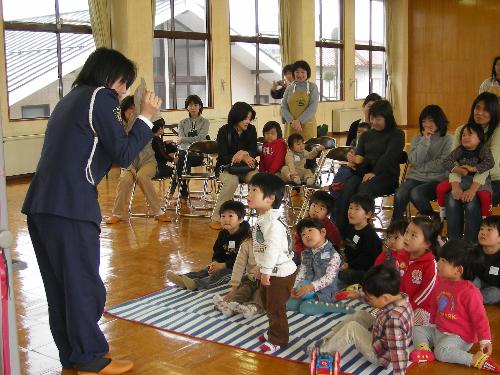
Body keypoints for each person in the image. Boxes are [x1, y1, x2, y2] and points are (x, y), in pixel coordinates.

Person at [21, 48, 161, 374]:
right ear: (111, 76)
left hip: (41, 205)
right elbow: (124, 154)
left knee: (60, 288)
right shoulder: (101, 97)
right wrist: (144, 117)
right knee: (84, 285)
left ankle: (72, 356)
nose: (123, 91)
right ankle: (90, 358)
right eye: (124, 83)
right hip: (70, 206)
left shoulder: (71, 99)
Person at [411, 240, 500, 372]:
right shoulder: (441, 282)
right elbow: (435, 304)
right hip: (440, 329)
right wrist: (432, 323)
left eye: (443, 261)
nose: (437, 263)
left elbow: (480, 319)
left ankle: (474, 359)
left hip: (459, 337)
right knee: (417, 329)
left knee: (441, 352)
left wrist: (485, 340)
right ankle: (425, 350)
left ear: (458, 270)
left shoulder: (470, 292)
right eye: (439, 259)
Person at [307, 265, 414, 375]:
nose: (369, 301)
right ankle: (329, 340)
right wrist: (356, 296)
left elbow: (398, 352)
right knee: (360, 314)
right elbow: (376, 300)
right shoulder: (399, 298)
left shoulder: (394, 320)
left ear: (385, 297)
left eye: (370, 298)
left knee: (352, 328)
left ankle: (324, 354)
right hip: (381, 335)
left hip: (381, 355)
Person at [334, 100, 405, 233]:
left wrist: (375, 172)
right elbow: (360, 157)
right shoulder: (366, 135)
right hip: (363, 173)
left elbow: (388, 157)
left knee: (363, 189)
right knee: (348, 187)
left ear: (388, 118)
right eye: (372, 118)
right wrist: (353, 159)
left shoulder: (397, 134)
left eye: (378, 119)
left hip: (386, 176)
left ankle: (360, 232)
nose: (374, 122)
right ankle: (341, 231)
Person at [246, 173, 297, 353]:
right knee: (268, 303)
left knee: (275, 307)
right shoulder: (263, 219)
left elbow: (272, 250)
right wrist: (262, 268)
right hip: (270, 270)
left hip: (281, 272)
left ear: (270, 199)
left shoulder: (273, 223)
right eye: (249, 189)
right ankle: (273, 331)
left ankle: (278, 339)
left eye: (254, 190)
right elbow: (262, 248)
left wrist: (266, 270)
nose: (248, 194)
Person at [106, 96, 172, 224]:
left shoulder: (144, 124)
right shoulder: (119, 128)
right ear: (123, 111)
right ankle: (117, 213)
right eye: (129, 109)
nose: (132, 112)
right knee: (125, 179)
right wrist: (130, 168)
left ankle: (158, 212)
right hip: (128, 163)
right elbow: (120, 152)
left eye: (135, 109)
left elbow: (157, 121)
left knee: (142, 176)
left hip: (148, 161)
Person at [445, 92, 499, 242]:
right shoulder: (462, 130)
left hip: (493, 180)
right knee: (451, 198)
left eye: (486, 109)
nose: (479, 112)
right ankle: (454, 246)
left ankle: (472, 248)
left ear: (493, 112)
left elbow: (489, 164)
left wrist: (473, 189)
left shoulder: (497, 132)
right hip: (464, 178)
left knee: (471, 203)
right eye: (477, 107)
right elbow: (453, 162)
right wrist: (455, 186)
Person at [166, 200, 250, 290]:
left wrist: (224, 265)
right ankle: (182, 278)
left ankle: (196, 284)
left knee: (220, 275)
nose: (226, 219)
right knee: (206, 270)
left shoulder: (246, 237)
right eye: (223, 216)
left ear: (240, 219)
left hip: (240, 270)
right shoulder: (223, 233)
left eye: (230, 216)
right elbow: (217, 250)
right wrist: (215, 262)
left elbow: (244, 259)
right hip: (223, 264)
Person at [392, 105, 453, 222]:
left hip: (437, 180)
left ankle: (433, 223)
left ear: (439, 120)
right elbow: (414, 160)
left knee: (416, 194)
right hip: (415, 178)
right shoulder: (417, 139)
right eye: (424, 121)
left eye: (430, 120)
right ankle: (396, 228)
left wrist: (421, 167)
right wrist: (425, 140)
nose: (426, 124)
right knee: (400, 193)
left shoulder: (448, 139)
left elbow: (443, 163)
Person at [209, 102, 258, 230]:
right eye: (245, 118)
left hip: (246, 168)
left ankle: (261, 215)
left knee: (257, 180)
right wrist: (240, 155)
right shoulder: (224, 131)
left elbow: (253, 150)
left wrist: (243, 154)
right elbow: (223, 156)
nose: (248, 121)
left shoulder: (251, 130)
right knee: (232, 181)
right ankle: (216, 217)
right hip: (226, 168)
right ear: (237, 117)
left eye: (249, 118)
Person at [437, 123, 495, 221]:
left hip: (479, 180)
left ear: (480, 138)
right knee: (440, 188)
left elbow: (490, 163)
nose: (465, 137)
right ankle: (443, 212)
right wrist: (457, 169)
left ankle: (486, 218)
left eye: (470, 134)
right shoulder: (460, 150)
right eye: (463, 135)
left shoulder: (483, 149)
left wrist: (474, 168)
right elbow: (446, 162)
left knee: (484, 196)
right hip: (462, 178)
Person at [286, 218, 343, 315]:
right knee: (290, 305)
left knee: (306, 308)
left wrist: (311, 286)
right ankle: (308, 300)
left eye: (310, 230)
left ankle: (330, 306)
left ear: (323, 232)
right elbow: (302, 272)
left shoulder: (333, 255)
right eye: (303, 234)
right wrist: (295, 288)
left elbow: (329, 278)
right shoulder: (305, 253)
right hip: (307, 290)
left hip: (325, 293)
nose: (307, 235)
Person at [399, 216, 440, 326]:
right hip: (400, 302)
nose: (406, 237)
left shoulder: (430, 265)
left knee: (398, 323)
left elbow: (426, 294)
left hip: (420, 308)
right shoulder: (401, 255)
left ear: (426, 243)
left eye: (413, 235)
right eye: (407, 232)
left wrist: (406, 307)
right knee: (380, 315)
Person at [171, 94, 210, 203]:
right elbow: (182, 139)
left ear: (200, 106)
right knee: (182, 159)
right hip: (184, 153)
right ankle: (183, 194)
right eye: (190, 105)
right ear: (187, 107)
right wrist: (186, 140)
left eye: (195, 105)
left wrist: (184, 139)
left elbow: (200, 138)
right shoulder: (182, 123)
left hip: (197, 154)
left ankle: (176, 192)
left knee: (181, 159)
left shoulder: (205, 122)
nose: (193, 107)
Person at [213, 238, 264, 319]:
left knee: (260, 293)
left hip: (267, 280)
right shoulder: (246, 244)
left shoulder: (275, 243)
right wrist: (234, 287)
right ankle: (230, 307)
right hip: (251, 278)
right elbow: (238, 265)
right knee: (244, 290)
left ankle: (252, 309)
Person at [338, 194, 382, 287]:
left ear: (368, 214)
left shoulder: (370, 236)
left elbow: (368, 262)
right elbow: (347, 247)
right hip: (350, 265)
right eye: (350, 208)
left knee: (342, 276)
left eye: (357, 209)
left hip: (365, 272)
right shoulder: (349, 228)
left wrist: (348, 265)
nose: (351, 212)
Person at [293, 190, 341, 260]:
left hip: (323, 258)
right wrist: (303, 254)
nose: (316, 210)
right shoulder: (304, 222)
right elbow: (298, 241)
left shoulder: (331, 228)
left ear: (327, 214)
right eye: (314, 205)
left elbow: (335, 245)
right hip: (304, 255)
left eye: (321, 208)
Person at [281, 60, 319, 140]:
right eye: (297, 72)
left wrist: (299, 121)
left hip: (307, 125)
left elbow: (312, 107)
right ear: (293, 73)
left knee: (307, 150)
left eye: (302, 72)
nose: (300, 75)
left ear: (307, 73)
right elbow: (283, 107)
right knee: (291, 150)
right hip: (291, 125)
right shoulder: (289, 88)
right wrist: (292, 121)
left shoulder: (313, 87)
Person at [474, 216, 500, 304]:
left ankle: (471, 300)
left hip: (494, 287)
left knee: (495, 293)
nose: (483, 233)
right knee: (474, 281)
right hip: (478, 284)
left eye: (489, 230)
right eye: (482, 229)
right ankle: (470, 299)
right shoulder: (474, 251)